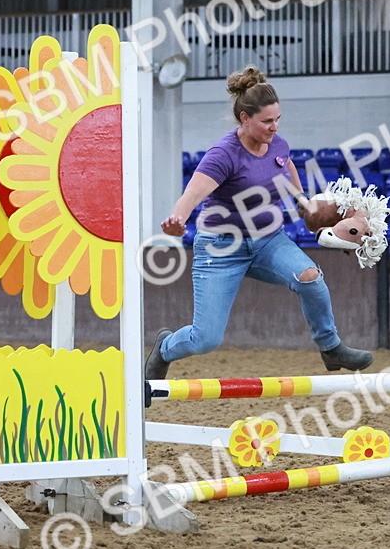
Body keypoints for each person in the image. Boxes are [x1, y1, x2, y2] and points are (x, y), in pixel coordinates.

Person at [145, 66, 374, 379]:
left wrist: (302, 200)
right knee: (206, 339)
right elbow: (191, 195)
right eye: (267, 121)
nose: (274, 127)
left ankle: (331, 348)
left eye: (278, 119)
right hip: (221, 248)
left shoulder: (278, 144)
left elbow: (286, 166)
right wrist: (177, 220)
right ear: (244, 118)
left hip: (268, 240)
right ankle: (165, 348)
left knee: (310, 277)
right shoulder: (223, 154)